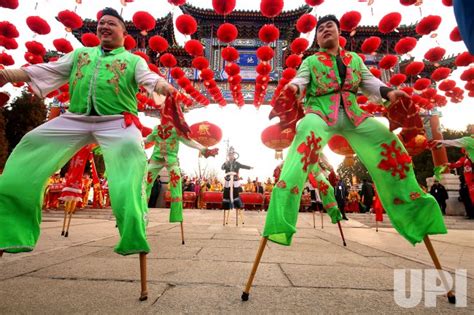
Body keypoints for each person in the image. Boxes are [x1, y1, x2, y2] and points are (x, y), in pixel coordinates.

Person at [0, 7, 176, 256]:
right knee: (30, 142)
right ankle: (11, 230)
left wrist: (162, 85)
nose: (104, 26)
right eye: (101, 23)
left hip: (117, 122)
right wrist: (8, 74)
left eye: (111, 23)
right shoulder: (80, 54)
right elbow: (47, 70)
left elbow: (148, 77)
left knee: (130, 163)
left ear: (124, 32)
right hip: (75, 118)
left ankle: (133, 233)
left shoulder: (133, 60)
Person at [262, 15, 446, 246]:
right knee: (301, 150)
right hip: (319, 114)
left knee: (388, 142)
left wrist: (390, 93)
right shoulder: (310, 61)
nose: (325, 30)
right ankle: (280, 219)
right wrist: (292, 88)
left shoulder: (355, 60)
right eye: (320, 29)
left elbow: (370, 83)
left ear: (340, 33)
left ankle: (414, 210)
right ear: (317, 39)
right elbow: (301, 81)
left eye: (330, 26)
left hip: (354, 115)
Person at [144, 122, 216, 223]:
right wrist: (132, 141)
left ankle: (176, 216)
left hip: (171, 161)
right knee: (144, 183)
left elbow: (189, 141)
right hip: (155, 159)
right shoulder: (156, 128)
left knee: (176, 184)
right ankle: (139, 215)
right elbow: (147, 140)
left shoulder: (176, 130)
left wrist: (204, 149)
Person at [221, 146, 252, 212]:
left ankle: (237, 205)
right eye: (229, 155)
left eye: (232, 155)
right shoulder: (226, 163)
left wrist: (249, 167)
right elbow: (222, 168)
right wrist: (224, 164)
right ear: (228, 156)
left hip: (235, 178)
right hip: (228, 178)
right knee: (226, 191)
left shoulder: (237, 163)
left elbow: (243, 166)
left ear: (234, 155)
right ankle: (226, 205)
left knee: (236, 191)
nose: (231, 156)